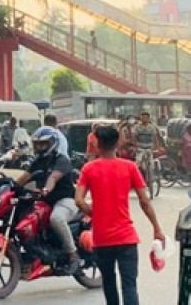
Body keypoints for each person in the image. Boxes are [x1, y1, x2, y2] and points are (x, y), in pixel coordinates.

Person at [75, 125, 165, 305]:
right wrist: (157, 229)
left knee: (109, 283)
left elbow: (78, 200)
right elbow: (145, 201)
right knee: (129, 285)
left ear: (98, 145)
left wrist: (94, 213)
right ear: (117, 144)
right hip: (126, 238)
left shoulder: (89, 169)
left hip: (102, 239)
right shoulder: (130, 167)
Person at [16, 126, 80, 273]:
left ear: (53, 143)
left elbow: (53, 177)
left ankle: (72, 254)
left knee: (56, 219)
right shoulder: (37, 161)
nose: (40, 147)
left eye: (43, 144)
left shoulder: (61, 160)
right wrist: (8, 186)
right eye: (37, 144)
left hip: (65, 200)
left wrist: (46, 189)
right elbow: (24, 177)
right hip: (46, 201)